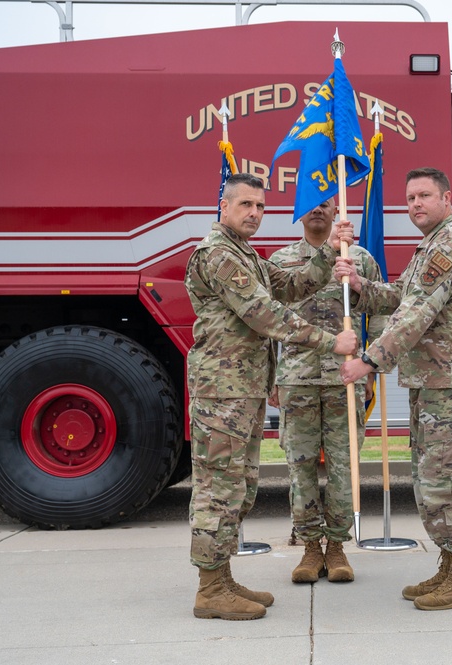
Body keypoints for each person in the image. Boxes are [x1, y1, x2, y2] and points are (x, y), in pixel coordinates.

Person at [185, 173, 357, 621]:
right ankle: (210, 588)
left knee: (238, 487)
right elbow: (265, 313)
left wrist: (327, 252)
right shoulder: (218, 255)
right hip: (221, 393)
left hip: (242, 390)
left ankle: (221, 578)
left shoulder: (247, 255)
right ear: (223, 206)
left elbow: (290, 286)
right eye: (245, 205)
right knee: (217, 489)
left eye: (260, 206)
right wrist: (328, 341)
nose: (254, 213)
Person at [338, 167, 452, 611]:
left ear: (446, 199)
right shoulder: (430, 246)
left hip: (450, 381)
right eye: (410, 198)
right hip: (432, 379)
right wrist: (362, 287)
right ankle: (449, 565)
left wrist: (369, 361)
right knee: (429, 477)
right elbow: (402, 293)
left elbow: (417, 312)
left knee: (447, 479)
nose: (416, 204)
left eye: (424, 195)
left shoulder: (451, 245)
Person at [268, 197, 385, 585]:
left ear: (337, 211)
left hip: (344, 379)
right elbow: (266, 321)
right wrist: (272, 376)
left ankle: (336, 548)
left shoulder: (359, 259)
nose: (317, 210)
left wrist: (371, 364)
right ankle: (309, 548)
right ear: (299, 212)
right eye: (310, 204)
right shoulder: (281, 262)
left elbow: (381, 313)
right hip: (297, 379)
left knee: (343, 466)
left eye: (326, 204)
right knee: (299, 467)